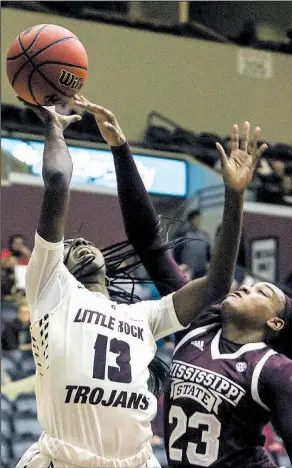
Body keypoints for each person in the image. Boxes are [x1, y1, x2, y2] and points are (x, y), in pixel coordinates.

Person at [16, 92, 250, 468]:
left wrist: (234, 194)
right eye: (69, 245)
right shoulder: (51, 291)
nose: (79, 243)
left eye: (83, 240)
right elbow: (58, 180)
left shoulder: (144, 316)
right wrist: (54, 128)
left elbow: (217, 285)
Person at [75, 97, 292, 468]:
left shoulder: (274, 369)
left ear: (275, 322)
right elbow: (150, 243)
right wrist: (120, 149)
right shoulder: (198, 323)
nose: (247, 286)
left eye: (263, 291)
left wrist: (235, 194)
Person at [174, 209, 212, 279]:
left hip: (202, 268)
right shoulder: (183, 234)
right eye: (195, 218)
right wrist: (179, 265)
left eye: (199, 218)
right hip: (187, 269)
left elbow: (208, 251)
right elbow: (177, 251)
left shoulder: (204, 234)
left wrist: (209, 262)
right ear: (191, 220)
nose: (198, 221)